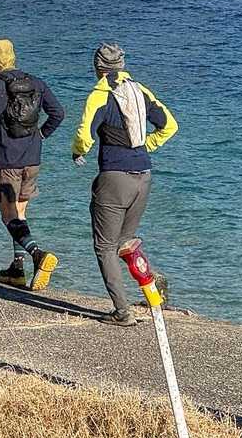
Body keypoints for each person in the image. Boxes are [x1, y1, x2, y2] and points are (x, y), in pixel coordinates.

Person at [73, 42, 178, 326]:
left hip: (115, 178)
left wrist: (78, 152)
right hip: (143, 175)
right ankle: (153, 292)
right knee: (125, 244)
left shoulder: (100, 94)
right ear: (122, 64)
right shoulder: (140, 90)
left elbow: (85, 134)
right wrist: (146, 146)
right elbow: (169, 125)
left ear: (97, 67)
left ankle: (122, 312)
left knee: (105, 247)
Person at [0, 38, 65, 291]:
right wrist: (42, 134)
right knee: (20, 213)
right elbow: (58, 113)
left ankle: (38, 254)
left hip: (8, 159)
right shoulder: (36, 82)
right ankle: (17, 270)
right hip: (33, 157)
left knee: (8, 216)